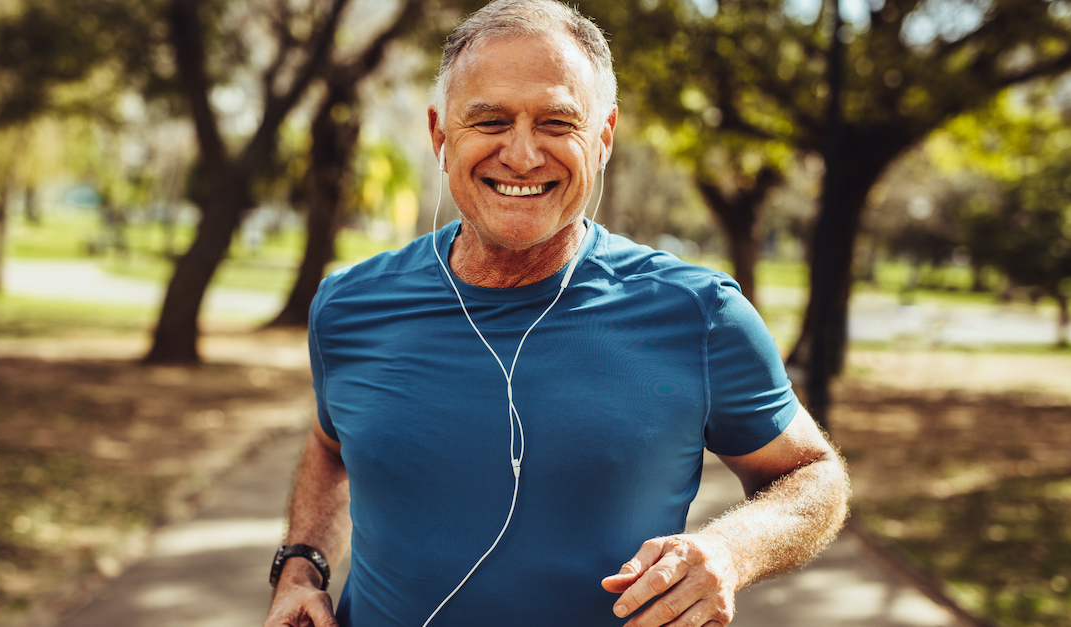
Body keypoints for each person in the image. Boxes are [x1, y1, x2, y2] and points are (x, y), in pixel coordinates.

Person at [263, 1, 849, 626]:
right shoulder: (350, 305)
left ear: (603, 137)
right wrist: (301, 567)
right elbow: (331, 446)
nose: (521, 155)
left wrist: (729, 552)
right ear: (440, 134)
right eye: (489, 121)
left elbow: (814, 475)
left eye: (556, 122)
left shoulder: (700, 313)